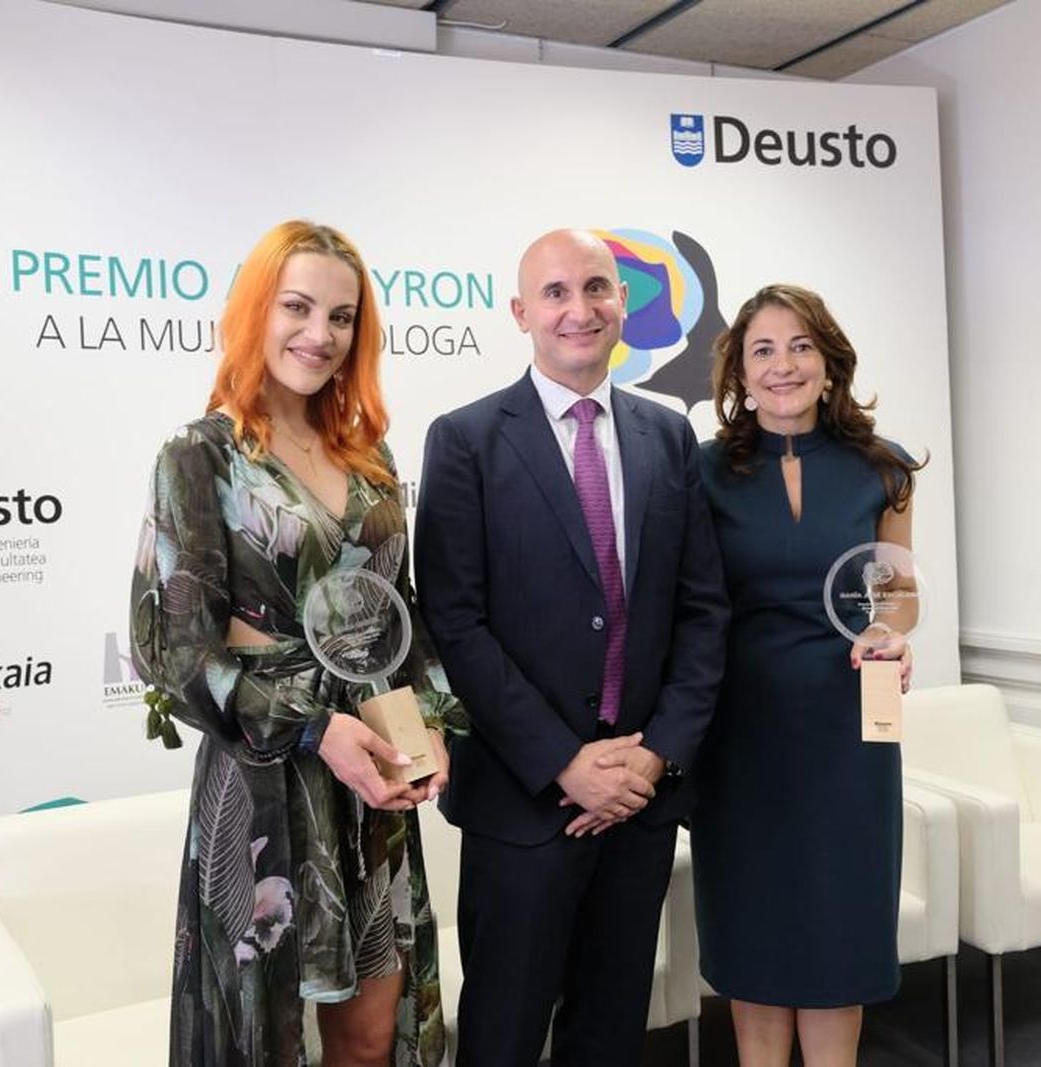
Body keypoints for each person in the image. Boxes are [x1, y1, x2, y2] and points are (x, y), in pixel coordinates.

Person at [129, 220, 463, 1067]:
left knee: (372, 1038)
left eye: (342, 317)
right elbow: (171, 649)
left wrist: (425, 722)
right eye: (298, 307)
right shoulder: (199, 455)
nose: (320, 334)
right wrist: (319, 728)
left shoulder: (370, 455)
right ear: (255, 312)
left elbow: (398, 609)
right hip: (266, 791)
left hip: (374, 784)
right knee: (264, 1041)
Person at [414, 228, 730, 1064]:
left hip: (638, 805)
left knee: (611, 1031)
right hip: (523, 805)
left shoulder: (669, 437)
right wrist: (564, 760)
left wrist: (654, 757)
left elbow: (703, 612)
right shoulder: (465, 440)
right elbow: (454, 621)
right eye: (555, 293)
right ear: (521, 312)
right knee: (504, 1036)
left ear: (624, 302)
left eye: (597, 287)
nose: (579, 309)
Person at [691, 283, 925, 1067]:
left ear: (829, 362)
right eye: (763, 349)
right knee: (754, 945)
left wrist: (891, 634)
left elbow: (899, 591)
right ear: (739, 371)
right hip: (739, 742)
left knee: (837, 945)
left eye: (799, 347)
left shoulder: (881, 467)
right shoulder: (702, 471)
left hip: (849, 738)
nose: (782, 364)